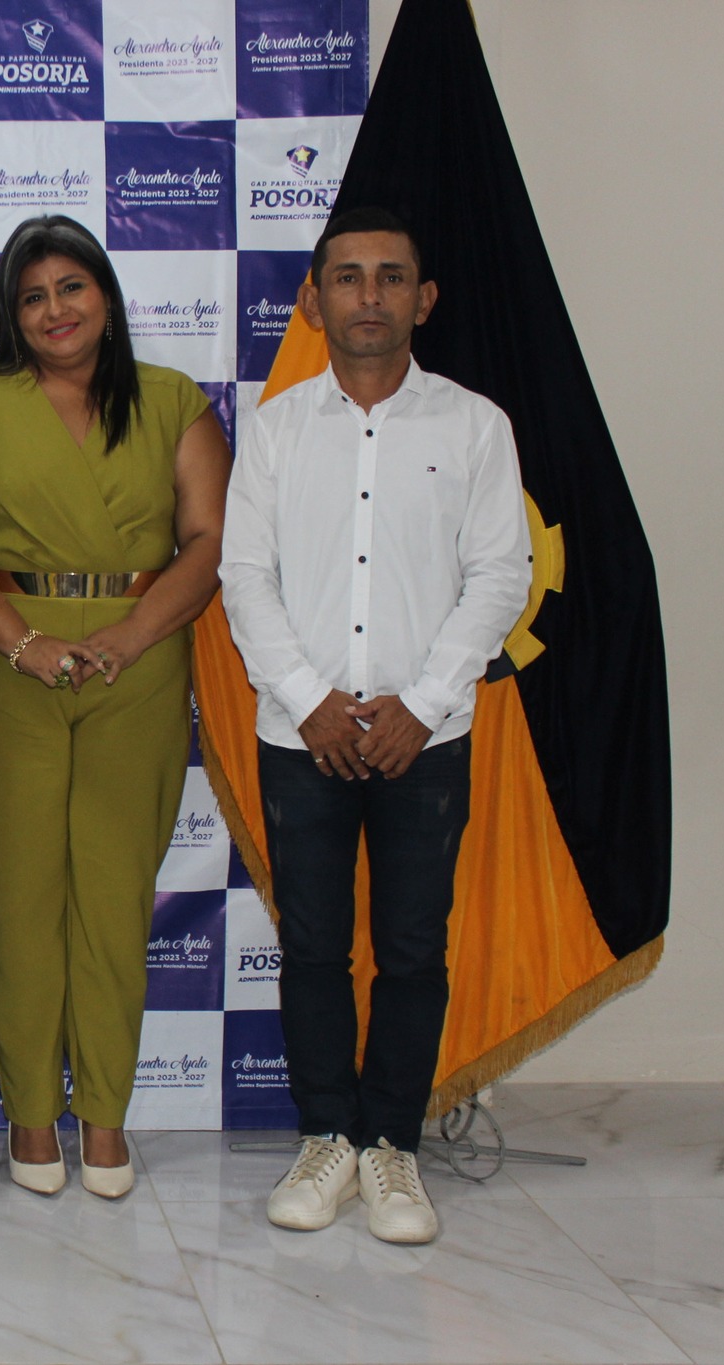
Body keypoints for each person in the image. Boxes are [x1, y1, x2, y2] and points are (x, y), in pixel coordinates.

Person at [221, 207, 530, 1245]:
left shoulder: (475, 426)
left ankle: (391, 1145)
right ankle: (326, 1139)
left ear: (422, 299)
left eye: (390, 277)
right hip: (299, 733)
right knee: (312, 946)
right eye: (347, 277)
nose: (368, 295)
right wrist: (309, 699)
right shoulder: (274, 430)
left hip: (423, 739)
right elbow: (243, 577)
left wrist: (423, 703)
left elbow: (500, 575)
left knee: (410, 947)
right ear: (314, 300)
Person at [0, 215, 231, 1200]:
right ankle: (30, 1115)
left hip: (134, 669)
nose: (54, 309)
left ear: (105, 296)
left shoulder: (172, 400)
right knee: (18, 899)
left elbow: (207, 542)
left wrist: (131, 635)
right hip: (4, 665)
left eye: (71, 287)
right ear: (10, 316)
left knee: (111, 900)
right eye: (32, 296)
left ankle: (104, 1116)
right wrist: (22, 642)